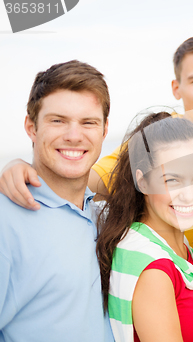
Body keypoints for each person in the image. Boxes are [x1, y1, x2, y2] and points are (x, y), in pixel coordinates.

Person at [0, 33, 193, 260]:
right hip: (163, 277)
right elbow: (89, 178)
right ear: (176, 88)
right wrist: (26, 169)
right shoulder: (160, 137)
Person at [0, 60, 114, 341]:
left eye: (88, 122)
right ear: (31, 127)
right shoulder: (6, 220)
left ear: (104, 130)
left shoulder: (105, 216)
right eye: (58, 120)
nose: (74, 136)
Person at [96, 111, 193, 342]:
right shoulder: (154, 268)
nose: (188, 195)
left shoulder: (169, 241)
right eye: (172, 180)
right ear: (143, 181)